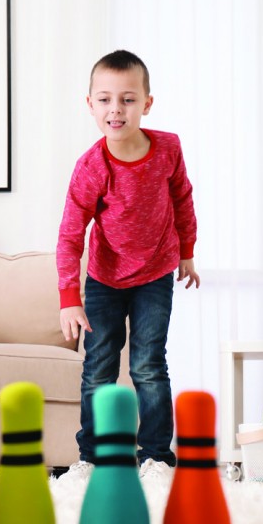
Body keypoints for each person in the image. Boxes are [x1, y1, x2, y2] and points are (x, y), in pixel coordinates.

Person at [57, 50, 200, 480]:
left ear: (147, 103)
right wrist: (69, 298)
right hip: (104, 278)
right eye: (104, 100)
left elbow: (182, 199)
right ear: (90, 105)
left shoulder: (168, 148)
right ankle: (92, 456)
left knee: (148, 364)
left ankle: (155, 455)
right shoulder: (91, 167)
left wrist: (187, 252)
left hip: (155, 274)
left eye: (127, 99)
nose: (115, 110)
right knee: (98, 366)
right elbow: (69, 234)